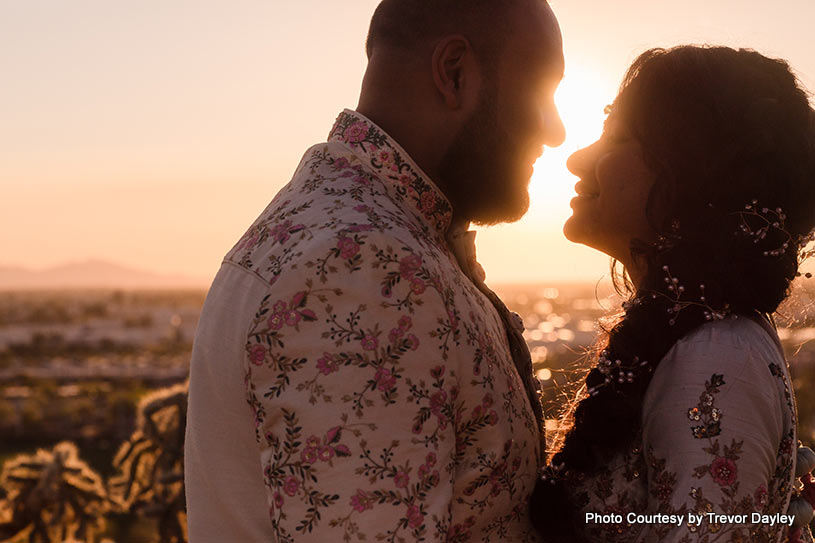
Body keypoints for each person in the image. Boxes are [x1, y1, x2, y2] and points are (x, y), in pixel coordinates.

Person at [184, 0, 565, 541]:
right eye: (542, 91)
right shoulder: (359, 267)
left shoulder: (362, 232)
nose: (555, 130)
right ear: (453, 72)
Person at [530, 45, 815, 543]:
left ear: (691, 173)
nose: (576, 159)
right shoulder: (705, 341)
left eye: (614, 136)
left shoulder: (712, 360)